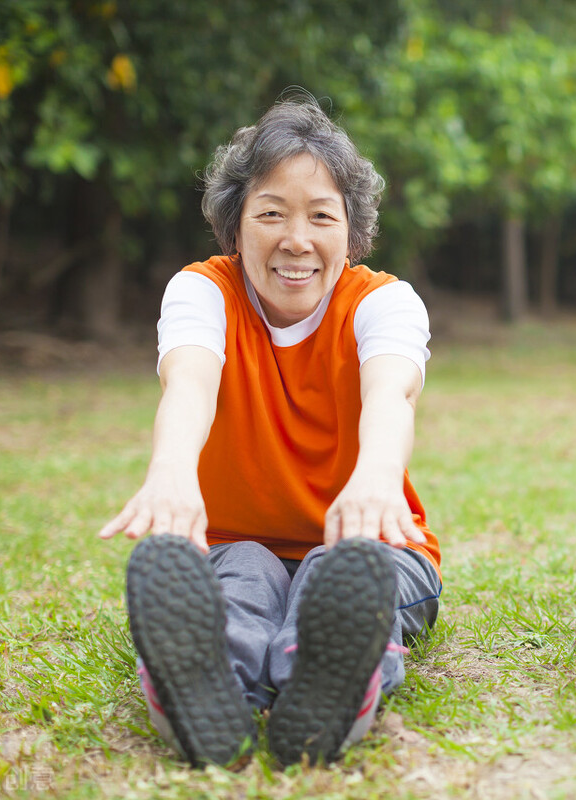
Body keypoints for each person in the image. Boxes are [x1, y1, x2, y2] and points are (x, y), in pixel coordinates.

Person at [98, 91, 442, 768]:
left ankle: (336, 678)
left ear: (352, 231)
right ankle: (201, 689)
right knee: (244, 577)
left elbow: (391, 395)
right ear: (235, 227)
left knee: (337, 572)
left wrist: (375, 477)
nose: (296, 239)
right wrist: (169, 471)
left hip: (371, 544)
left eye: (321, 216)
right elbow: (189, 382)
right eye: (271, 214)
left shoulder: (385, 303)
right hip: (236, 541)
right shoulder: (202, 291)